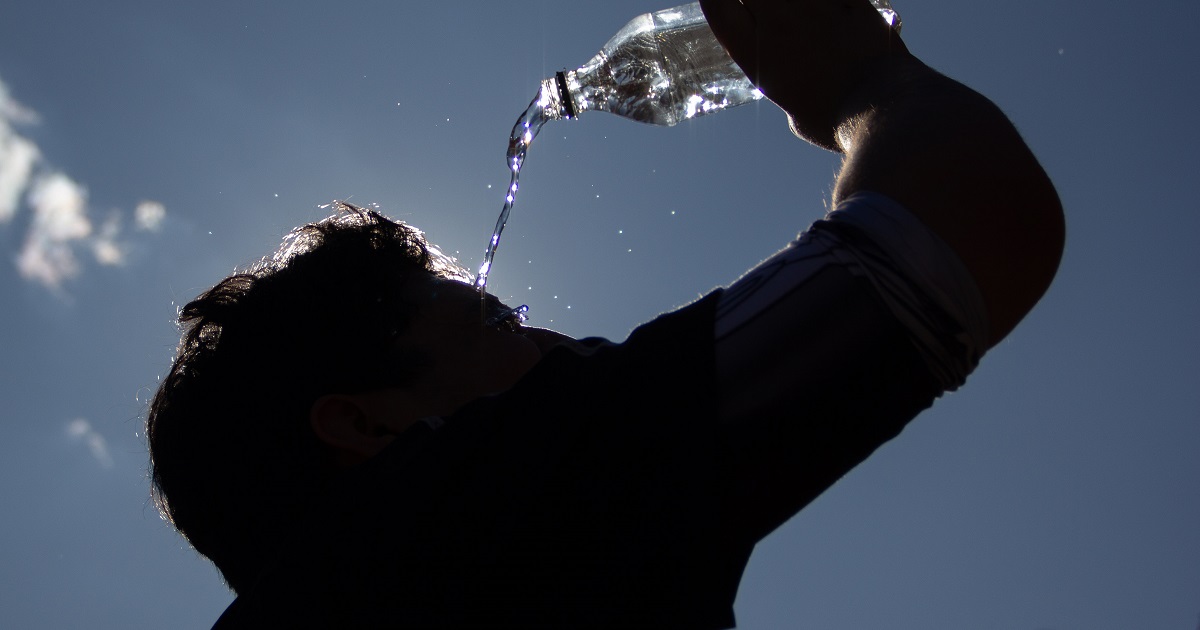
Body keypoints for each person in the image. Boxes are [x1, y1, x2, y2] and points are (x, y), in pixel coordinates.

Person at [146, 0, 1064, 627]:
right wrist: (868, 83)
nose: (561, 340)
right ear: (365, 425)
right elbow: (967, 220)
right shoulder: (490, 510)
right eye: (498, 328)